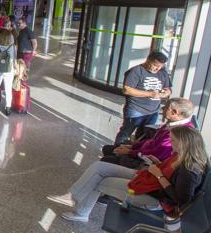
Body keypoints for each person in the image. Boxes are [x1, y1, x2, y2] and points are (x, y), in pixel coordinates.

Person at [48, 126, 208, 223]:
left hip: (155, 198)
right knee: (99, 167)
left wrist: (159, 175)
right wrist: (158, 163)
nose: (171, 144)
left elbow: (181, 199)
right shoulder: (180, 155)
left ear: (184, 143)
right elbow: (169, 173)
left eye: (173, 141)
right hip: (149, 180)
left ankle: (81, 211)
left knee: (100, 181)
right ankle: (74, 196)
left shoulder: (190, 169)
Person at [102, 98, 195, 169]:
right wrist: (132, 146)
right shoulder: (172, 124)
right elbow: (152, 141)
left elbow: (156, 155)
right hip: (142, 153)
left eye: (166, 107)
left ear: (174, 112)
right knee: (108, 149)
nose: (163, 108)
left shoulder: (179, 133)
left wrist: (130, 152)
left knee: (107, 160)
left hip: (149, 163)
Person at [115, 51, 173, 145]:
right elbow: (127, 90)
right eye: (155, 65)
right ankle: (115, 152)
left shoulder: (162, 72)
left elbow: (168, 89)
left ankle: (134, 153)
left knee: (145, 135)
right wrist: (150, 94)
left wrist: (166, 93)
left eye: (160, 66)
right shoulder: (136, 71)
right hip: (136, 109)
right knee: (126, 133)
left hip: (153, 111)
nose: (157, 68)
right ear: (148, 60)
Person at [0, 29, 16, 109]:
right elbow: (14, 58)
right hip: (9, 70)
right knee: (8, 89)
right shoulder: (13, 47)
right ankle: (8, 107)